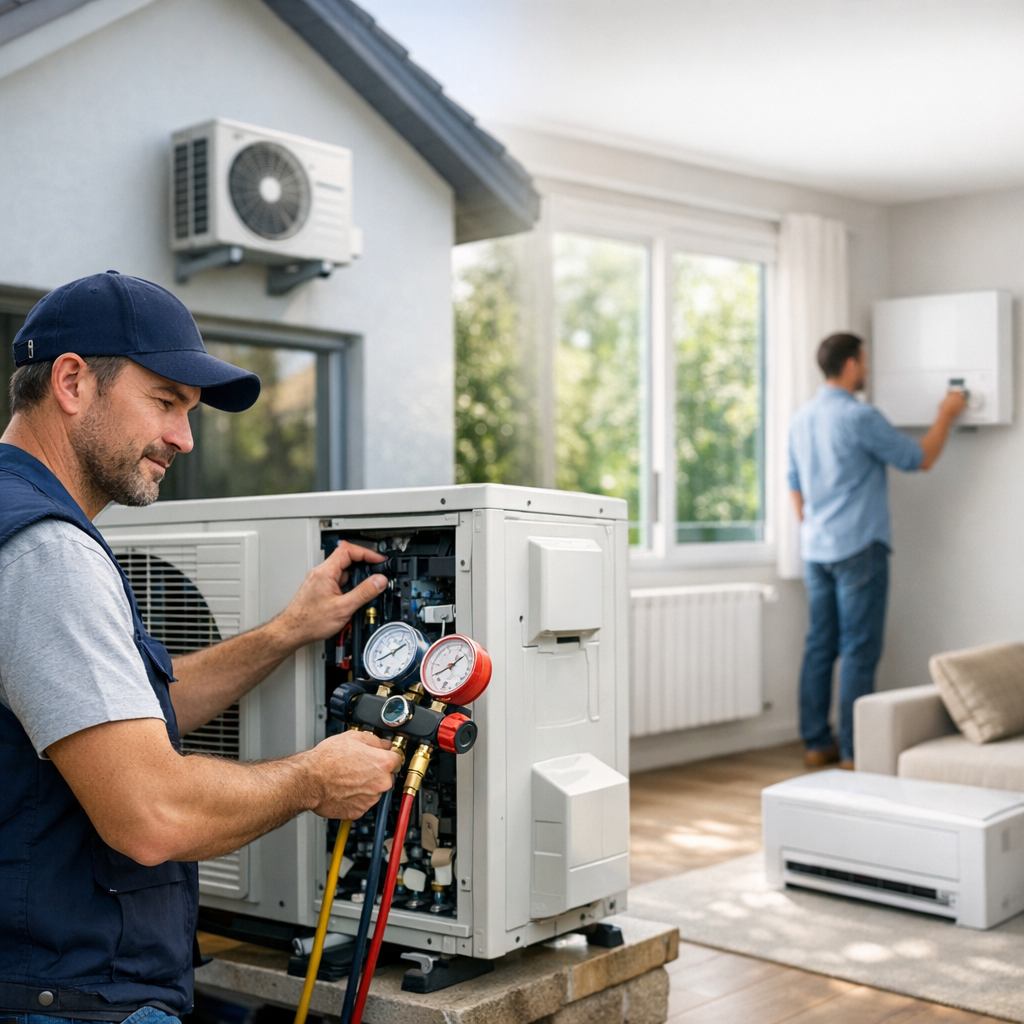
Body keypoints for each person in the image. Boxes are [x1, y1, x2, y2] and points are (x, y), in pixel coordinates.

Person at [0, 272, 404, 1024]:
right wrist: (315, 779)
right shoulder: (47, 551)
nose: (184, 439)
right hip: (73, 999)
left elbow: (120, 713)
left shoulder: (19, 521)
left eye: (188, 413)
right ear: (72, 381)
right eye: (164, 402)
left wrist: (288, 631)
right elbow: (150, 812)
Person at [788, 331, 965, 770]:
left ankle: (815, 742)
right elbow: (919, 458)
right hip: (858, 547)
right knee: (859, 650)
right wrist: (946, 414)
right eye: (864, 360)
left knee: (819, 645)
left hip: (816, 548)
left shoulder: (801, 418)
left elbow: (794, 485)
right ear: (850, 364)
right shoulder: (859, 416)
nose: (866, 368)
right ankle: (853, 750)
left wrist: (813, 529)